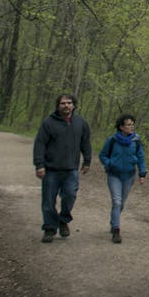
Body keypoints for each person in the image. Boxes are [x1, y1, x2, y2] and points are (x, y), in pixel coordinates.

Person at [33, 93, 92, 242]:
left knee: (70, 195)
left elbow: (85, 143)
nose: (66, 106)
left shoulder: (80, 123)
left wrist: (87, 161)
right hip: (51, 169)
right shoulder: (48, 123)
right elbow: (40, 144)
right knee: (48, 201)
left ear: (74, 105)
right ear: (58, 106)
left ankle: (63, 219)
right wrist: (39, 165)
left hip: (71, 169)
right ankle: (49, 228)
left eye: (69, 103)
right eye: (63, 103)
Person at [98, 114, 148, 243]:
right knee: (117, 201)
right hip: (114, 175)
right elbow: (103, 155)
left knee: (122, 202)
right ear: (121, 127)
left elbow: (141, 158)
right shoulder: (112, 140)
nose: (131, 127)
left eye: (132, 124)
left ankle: (113, 220)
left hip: (129, 176)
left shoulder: (136, 141)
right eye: (128, 125)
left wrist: (142, 174)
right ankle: (116, 230)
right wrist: (109, 163)